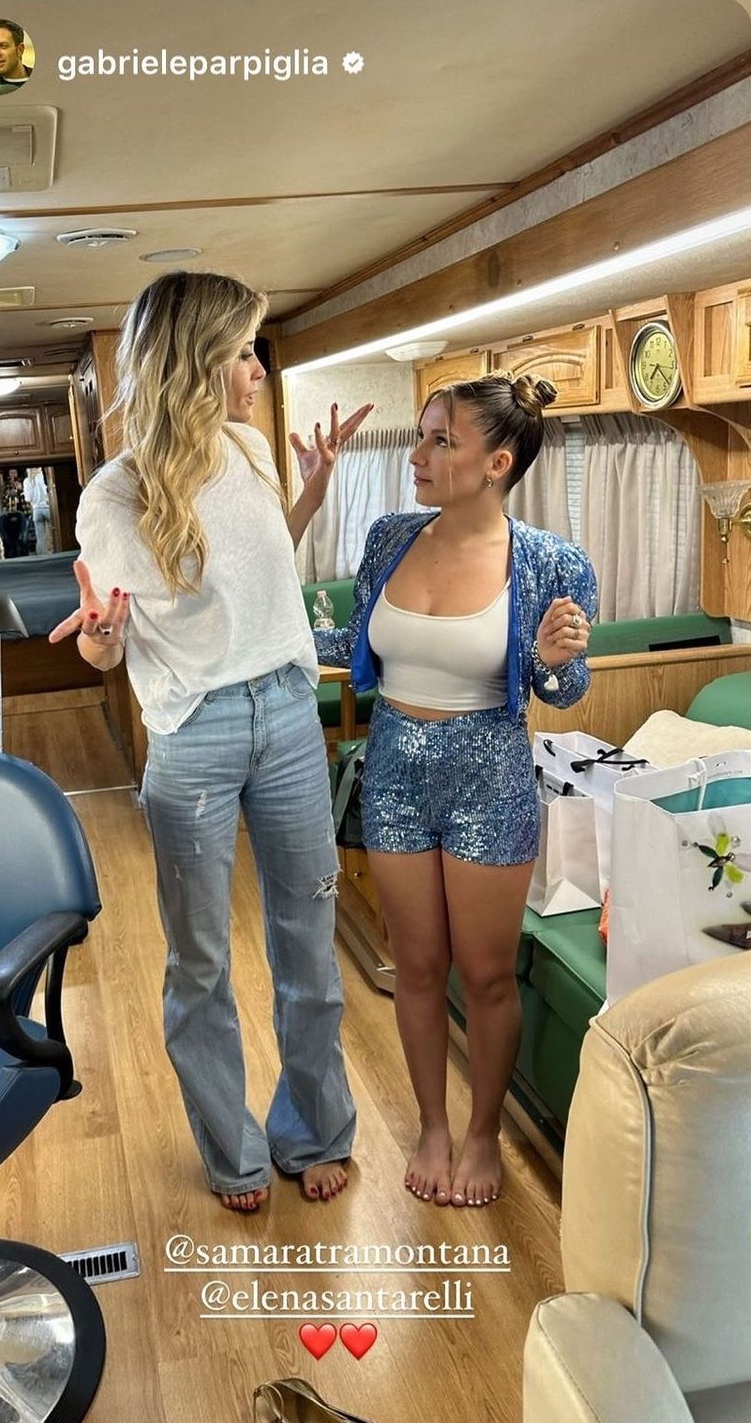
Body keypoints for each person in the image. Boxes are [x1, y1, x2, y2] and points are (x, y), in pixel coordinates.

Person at [49, 270, 372, 1212]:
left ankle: (314, 1129)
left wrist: (313, 490)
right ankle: (233, 1151)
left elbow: (260, 564)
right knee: (200, 961)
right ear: (191, 364)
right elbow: (108, 643)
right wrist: (102, 638)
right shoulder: (114, 495)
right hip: (193, 731)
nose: (257, 370)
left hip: (288, 712)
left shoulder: (251, 448)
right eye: (239, 352)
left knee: (308, 942)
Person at [315, 373, 598, 1208]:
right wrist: (267, 636)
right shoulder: (389, 538)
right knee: (416, 967)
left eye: (442, 440)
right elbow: (354, 642)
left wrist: (552, 659)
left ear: (497, 463)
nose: (418, 454)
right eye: (422, 434)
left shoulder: (551, 562)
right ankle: (434, 1127)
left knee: (486, 975)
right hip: (393, 770)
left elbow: (564, 688)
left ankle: (481, 1135)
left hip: (490, 777)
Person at [23, 468, 51, 554]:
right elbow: (46, 492)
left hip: (36, 510)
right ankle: (54, 552)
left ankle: (43, 556)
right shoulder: (42, 477)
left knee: (40, 537)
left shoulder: (27, 481)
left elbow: (28, 498)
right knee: (52, 533)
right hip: (47, 507)